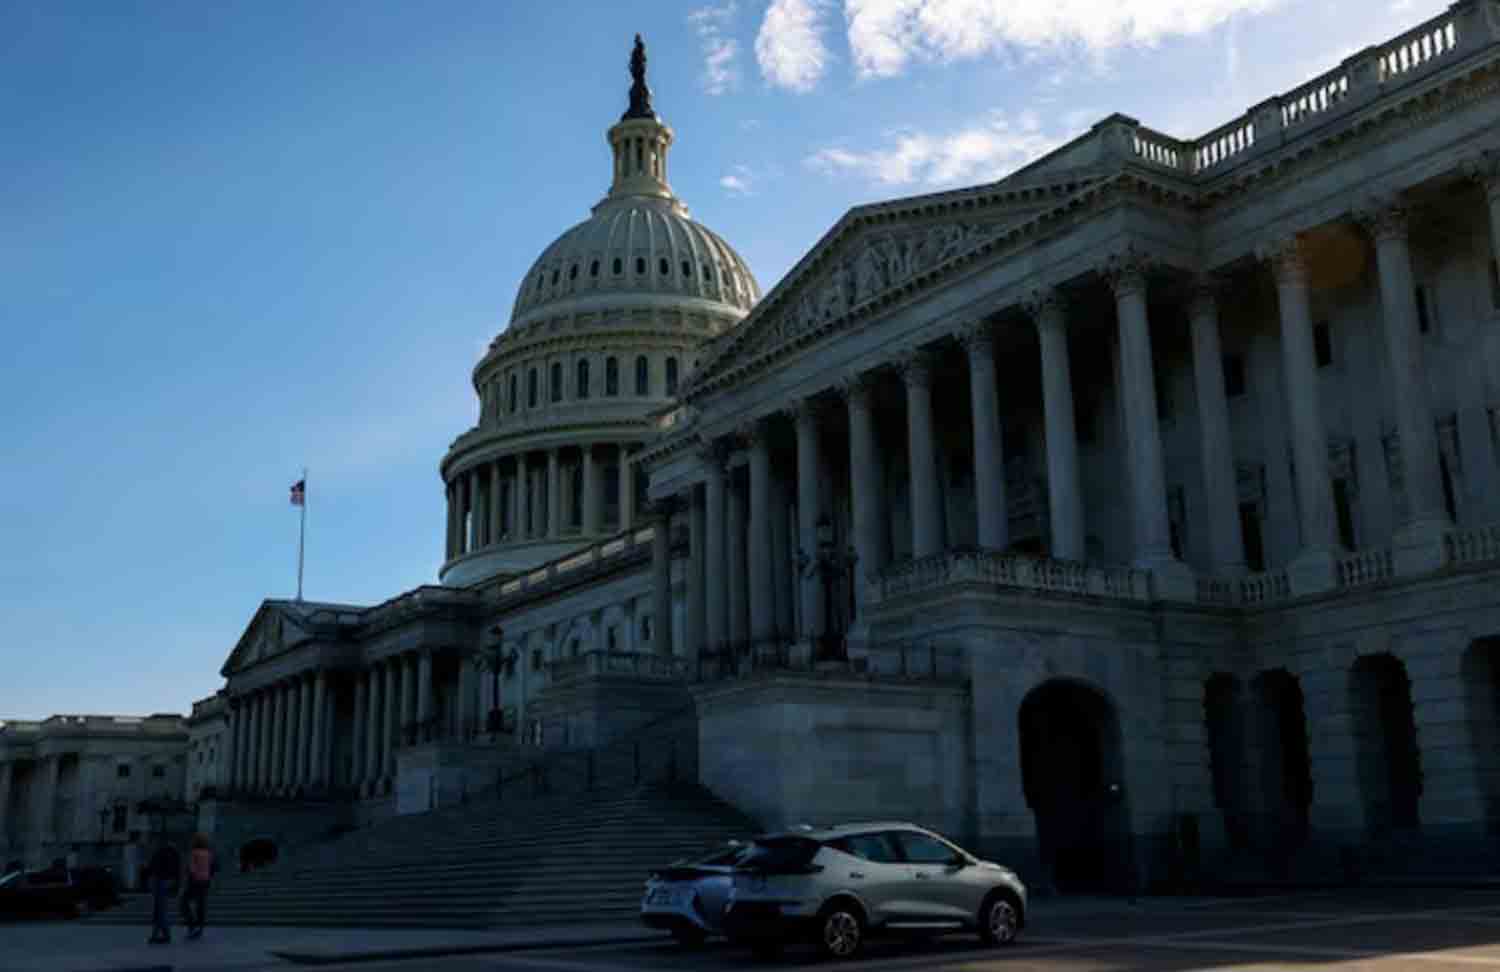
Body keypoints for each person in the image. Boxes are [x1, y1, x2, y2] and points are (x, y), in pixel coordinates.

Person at [145, 839, 181, 945]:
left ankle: (163, 934)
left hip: (160, 881)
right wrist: (176, 885)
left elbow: (151, 867)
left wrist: (149, 879)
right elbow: (177, 871)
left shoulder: (159, 852)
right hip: (167, 881)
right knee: (160, 908)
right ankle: (158, 934)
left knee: (160, 909)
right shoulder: (174, 853)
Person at [182, 833, 214, 939]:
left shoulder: (193, 853)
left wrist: (189, 877)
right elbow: (212, 868)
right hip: (205, 881)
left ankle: (192, 925)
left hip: (195, 880)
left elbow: (190, 868)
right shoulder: (208, 854)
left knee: (184, 902)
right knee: (201, 904)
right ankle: (199, 927)